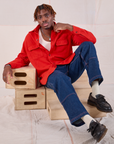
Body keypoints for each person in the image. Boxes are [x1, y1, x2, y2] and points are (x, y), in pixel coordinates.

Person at [3, 4, 113, 142]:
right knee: (60, 78)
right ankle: (90, 123)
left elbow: (92, 39)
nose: (43, 19)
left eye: (46, 15)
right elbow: (22, 58)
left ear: (53, 15)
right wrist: (8, 65)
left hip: (69, 68)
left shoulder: (64, 31)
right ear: (37, 20)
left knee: (88, 45)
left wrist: (70, 27)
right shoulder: (30, 38)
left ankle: (96, 94)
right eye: (40, 17)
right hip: (50, 75)